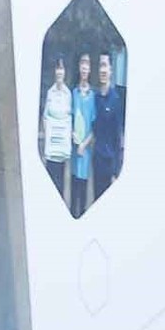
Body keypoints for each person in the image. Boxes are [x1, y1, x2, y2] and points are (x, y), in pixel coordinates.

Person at [92, 53, 126, 196]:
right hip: (97, 161)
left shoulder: (116, 100)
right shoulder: (95, 98)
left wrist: (116, 172)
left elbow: (118, 137)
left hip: (110, 163)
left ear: (111, 70)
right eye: (101, 66)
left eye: (105, 65)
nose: (103, 70)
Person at [69, 52, 96, 213]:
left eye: (87, 64)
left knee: (83, 200)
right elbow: (70, 118)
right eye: (82, 64)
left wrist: (84, 145)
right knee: (73, 200)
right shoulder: (74, 93)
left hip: (85, 153)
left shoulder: (93, 96)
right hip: (74, 153)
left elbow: (94, 127)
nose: (84, 67)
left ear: (90, 69)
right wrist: (72, 134)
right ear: (79, 67)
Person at [40, 59, 72, 192]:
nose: (59, 72)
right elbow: (45, 117)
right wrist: (48, 135)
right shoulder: (50, 92)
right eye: (57, 68)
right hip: (51, 148)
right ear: (55, 71)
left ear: (65, 72)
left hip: (61, 150)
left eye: (62, 69)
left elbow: (69, 118)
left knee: (60, 186)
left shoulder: (68, 94)